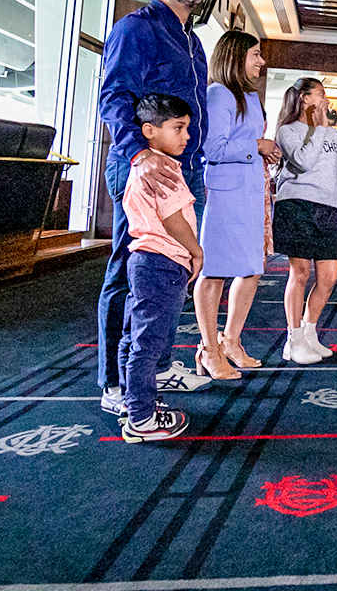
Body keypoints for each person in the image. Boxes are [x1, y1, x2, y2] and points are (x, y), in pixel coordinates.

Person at [96, 0, 212, 415]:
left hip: (186, 170)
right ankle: (116, 383)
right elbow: (114, 96)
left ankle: (157, 366)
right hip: (144, 167)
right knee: (131, 276)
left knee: (170, 275)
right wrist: (139, 152)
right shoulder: (138, 29)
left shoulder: (192, 41)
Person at [117, 93, 203, 442]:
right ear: (149, 130)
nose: (186, 136)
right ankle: (141, 419)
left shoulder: (146, 163)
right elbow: (172, 219)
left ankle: (132, 401)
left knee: (135, 337)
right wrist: (196, 251)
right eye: (178, 128)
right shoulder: (162, 168)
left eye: (187, 128)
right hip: (163, 260)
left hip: (145, 259)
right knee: (149, 343)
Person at [193, 29, 278, 378]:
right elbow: (211, 150)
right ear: (235, 56)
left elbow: (250, 141)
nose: (261, 61)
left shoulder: (249, 97)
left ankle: (231, 340)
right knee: (214, 272)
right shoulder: (218, 95)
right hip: (227, 196)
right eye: (255, 54)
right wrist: (255, 147)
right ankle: (209, 350)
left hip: (253, 192)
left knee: (252, 268)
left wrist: (263, 152)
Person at [273, 76, 337, 364]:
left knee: (328, 278)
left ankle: (309, 332)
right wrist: (318, 128)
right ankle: (293, 339)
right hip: (297, 205)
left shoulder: (332, 135)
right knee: (301, 273)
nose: (326, 99)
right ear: (305, 98)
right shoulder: (287, 130)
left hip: (327, 209)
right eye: (321, 94)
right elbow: (303, 161)